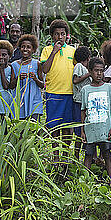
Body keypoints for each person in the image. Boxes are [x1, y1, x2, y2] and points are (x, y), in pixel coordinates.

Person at [40, 19, 76, 162]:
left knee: (67, 127)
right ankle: (55, 158)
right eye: (56, 34)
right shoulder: (47, 50)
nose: (59, 37)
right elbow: (44, 69)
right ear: (52, 36)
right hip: (53, 93)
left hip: (68, 93)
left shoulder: (72, 50)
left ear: (66, 35)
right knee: (54, 127)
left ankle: (66, 157)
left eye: (62, 34)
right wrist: (54, 52)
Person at [80, 57, 111, 179]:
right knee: (89, 154)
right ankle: (85, 182)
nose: (99, 74)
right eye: (96, 70)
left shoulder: (108, 87)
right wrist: (82, 131)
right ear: (90, 71)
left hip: (105, 128)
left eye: (101, 71)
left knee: (107, 153)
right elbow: (83, 111)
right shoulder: (86, 89)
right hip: (91, 128)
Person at [10, 34, 44, 120]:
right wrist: (18, 78)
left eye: (28, 47)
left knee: (33, 127)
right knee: (20, 129)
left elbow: (42, 85)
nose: (25, 49)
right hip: (19, 101)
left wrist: (35, 79)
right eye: (23, 47)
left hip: (34, 101)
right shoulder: (14, 65)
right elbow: (11, 86)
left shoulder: (37, 64)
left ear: (33, 49)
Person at [72, 46, 91, 157]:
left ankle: (85, 155)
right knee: (80, 130)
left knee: (84, 129)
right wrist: (89, 74)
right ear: (88, 58)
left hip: (84, 103)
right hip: (79, 102)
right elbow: (75, 80)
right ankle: (76, 155)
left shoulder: (83, 68)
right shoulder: (79, 66)